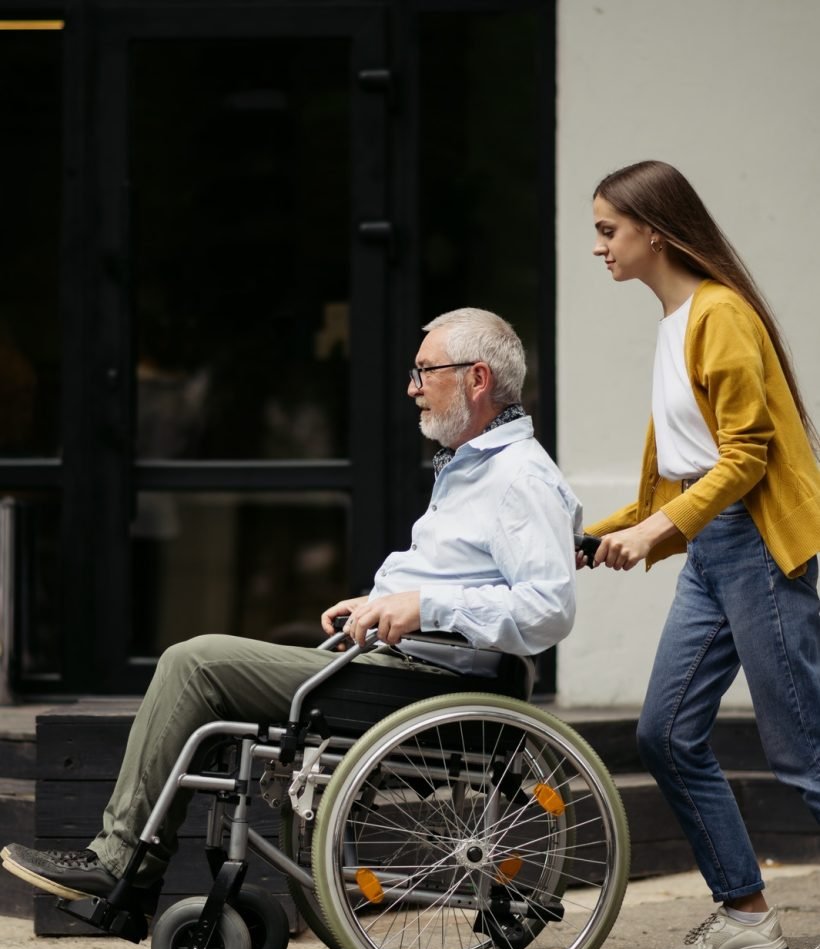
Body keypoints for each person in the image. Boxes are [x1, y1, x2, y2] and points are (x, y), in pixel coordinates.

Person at [2, 306, 582, 906]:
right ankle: (131, 868)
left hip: (430, 685)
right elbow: (465, 578)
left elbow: (548, 609)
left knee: (194, 664)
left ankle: (121, 864)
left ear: (477, 379)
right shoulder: (476, 468)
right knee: (201, 674)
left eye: (424, 371)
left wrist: (423, 606)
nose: (412, 388)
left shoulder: (519, 478)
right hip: (412, 670)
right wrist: (384, 602)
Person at [584, 160, 820, 949]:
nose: (598, 247)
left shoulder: (719, 314)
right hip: (712, 550)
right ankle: (746, 919)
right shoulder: (676, 321)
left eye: (608, 230)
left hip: (755, 545)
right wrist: (596, 533)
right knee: (666, 733)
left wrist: (659, 529)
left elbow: (747, 457)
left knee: (804, 744)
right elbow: (680, 476)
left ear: (653, 230)